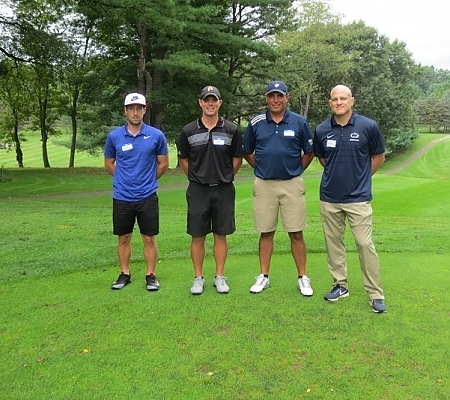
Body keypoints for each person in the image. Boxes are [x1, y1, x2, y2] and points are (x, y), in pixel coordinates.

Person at [314, 84, 387, 313]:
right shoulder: (322, 129)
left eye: (343, 98)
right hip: (330, 197)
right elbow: (323, 159)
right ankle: (340, 285)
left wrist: (361, 178)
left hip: (358, 198)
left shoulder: (368, 126)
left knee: (365, 244)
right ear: (330, 103)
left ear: (352, 101)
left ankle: (375, 294)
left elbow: (378, 157)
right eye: (334, 99)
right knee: (333, 244)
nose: (339, 102)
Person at [243, 80, 315, 296]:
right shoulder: (256, 123)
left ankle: (303, 277)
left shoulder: (299, 122)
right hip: (264, 184)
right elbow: (248, 151)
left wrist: (295, 170)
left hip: (292, 184)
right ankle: (263, 276)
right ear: (266, 98)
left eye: (280, 96)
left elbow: (309, 152)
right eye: (271, 96)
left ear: (287, 98)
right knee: (266, 232)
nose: (275, 100)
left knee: (296, 233)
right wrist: (263, 168)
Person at [176, 85, 243, 295]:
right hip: (198, 190)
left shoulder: (231, 130)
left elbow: (237, 159)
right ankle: (198, 278)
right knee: (197, 235)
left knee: (221, 234)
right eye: (207, 100)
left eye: (214, 100)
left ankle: (220, 277)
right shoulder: (188, 131)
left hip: (223, 189)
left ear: (220, 103)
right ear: (201, 103)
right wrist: (197, 178)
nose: (210, 104)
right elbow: (183, 160)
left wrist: (223, 177)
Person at [104, 92, 169, 291]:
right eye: (131, 108)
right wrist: (124, 179)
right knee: (123, 237)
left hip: (147, 195)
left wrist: (147, 180)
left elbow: (163, 163)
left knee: (148, 238)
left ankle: (151, 274)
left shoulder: (156, 135)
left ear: (144, 110)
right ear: (125, 110)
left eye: (139, 108)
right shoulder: (114, 136)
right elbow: (109, 163)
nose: (135, 112)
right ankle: (125, 273)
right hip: (122, 197)